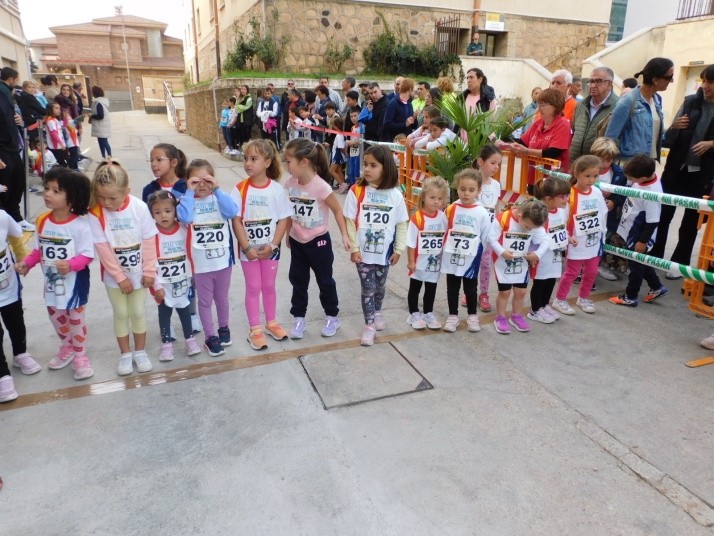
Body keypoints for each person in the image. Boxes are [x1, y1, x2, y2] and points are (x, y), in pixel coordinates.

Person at [15, 167, 93, 380]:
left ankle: (80, 356)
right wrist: (27, 263)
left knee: (76, 320)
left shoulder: (80, 226)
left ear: (72, 198)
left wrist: (71, 264)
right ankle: (66, 347)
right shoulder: (42, 221)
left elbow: (87, 255)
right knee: (57, 318)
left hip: (74, 285)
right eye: (47, 188)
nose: (47, 194)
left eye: (55, 191)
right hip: (51, 285)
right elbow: (39, 251)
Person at [88, 160, 158, 375]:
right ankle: (125, 355)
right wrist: (119, 277)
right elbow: (103, 249)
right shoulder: (95, 213)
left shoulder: (139, 207)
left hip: (139, 274)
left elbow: (149, 240)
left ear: (127, 191)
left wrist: (149, 271)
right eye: (101, 197)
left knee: (137, 312)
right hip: (114, 278)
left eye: (112, 198)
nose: (106, 203)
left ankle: (140, 352)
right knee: (120, 313)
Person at [283, 138, 352, 339]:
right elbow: (289, 211)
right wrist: (288, 233)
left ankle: (332, 315)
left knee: (325, 281)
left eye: (289, 162)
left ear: (304, 162)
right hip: (298, 240)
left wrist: (345, 236)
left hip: (319, 241)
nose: (286, 166)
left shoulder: (321, 187)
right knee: (298, 280)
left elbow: (338, 211)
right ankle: (299, 317)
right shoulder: (289, 183)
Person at [650, 65, 714, 280]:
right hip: (676, 169)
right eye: (704, 81)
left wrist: (712, 143)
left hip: (702, 175)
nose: (705, 86)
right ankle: (656, 255)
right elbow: (668, 138)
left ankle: (679, 264)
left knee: (689, 223)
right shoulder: (690, 101)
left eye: (710, 82)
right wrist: (674, 126)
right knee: (663, 215)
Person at [343, 145, 409, 346]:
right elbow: (349, 222)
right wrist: (354, 248)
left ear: (386, 168)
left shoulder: (395, 194)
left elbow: (401, 224)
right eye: (365, 164)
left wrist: (398, 249)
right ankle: (369, 325)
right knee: (367, 288)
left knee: (380, 286)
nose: (367, 169)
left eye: (373, 165)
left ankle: (378, 309)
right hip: (363, 253)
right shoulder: (356, 191)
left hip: (385, 253)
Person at [231, 140, 291, 351]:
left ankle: (271, 322)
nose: (248, 163)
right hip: (249, 250)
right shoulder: (240, 189)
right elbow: (236, 220)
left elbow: (284, 219)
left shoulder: (276, 190)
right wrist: (247, 247)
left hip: (271, 250)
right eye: (246, 158)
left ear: (267, 162)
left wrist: (273, 245)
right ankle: (254, 328)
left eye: (254, 159)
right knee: (254, 287)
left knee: (269, 286)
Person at [179, 159, 238, 357]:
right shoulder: (186, 201)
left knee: (222, 299)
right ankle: (210, 337)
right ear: (188, 182)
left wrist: (218, 189)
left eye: (206, 180)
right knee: (205, 303)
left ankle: (224, 329)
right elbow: (185, 218)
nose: (201, 185)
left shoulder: (219, 199)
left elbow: (232, 212)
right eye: (196, 181)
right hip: (201, 265)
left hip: (222, 262)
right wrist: (189, 192)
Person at [147, 190, 202, 360]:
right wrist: (155, 286)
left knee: (185, 310)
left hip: (182, 282)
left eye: (168, 211)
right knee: (164, 313)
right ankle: (166, 343)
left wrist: (194, 275)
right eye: (157, 212)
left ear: (175, 211)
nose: (163, 215)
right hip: (163, 284)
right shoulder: (151, 234)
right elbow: (149, 261)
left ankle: (189, 338)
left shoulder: (184, 229)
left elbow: (191, 253)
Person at [609, 154, 668, 307]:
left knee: (636, 265)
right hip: (630, 226)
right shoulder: (643, 179)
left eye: (632, 179)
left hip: (639, 233)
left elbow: (653, 220)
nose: (630, 181)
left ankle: (630, 296)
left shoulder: (652, 193)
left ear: (642, 177)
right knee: (641, 261)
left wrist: (643, 241)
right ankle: (656, 286)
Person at [551, 155, 607, 315]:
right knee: (572, 272)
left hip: (595, 242)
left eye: (595, 176)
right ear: (576, 173)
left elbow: (602, 214)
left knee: (591, 272)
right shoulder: (570, 195)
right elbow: (561, 219)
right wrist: (566, 237)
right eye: (587, 176)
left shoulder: (596, 192)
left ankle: (583, 297)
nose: (591, 180)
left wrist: (603, 233)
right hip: (576, 241)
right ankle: (560, 299)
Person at [441, 169, 492, 333]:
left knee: (470, 288)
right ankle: (453, 316)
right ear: (457, 188)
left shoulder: (481, 212)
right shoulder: (451, 209)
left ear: (479, 190)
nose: (466, 193)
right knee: (452, 287)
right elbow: (444, 230)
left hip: (472, 258)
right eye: (463, 189)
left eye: (471, 190)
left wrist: (478, 252)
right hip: (453, 256)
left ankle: (472, 316)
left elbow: (486, 236)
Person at [489, 199, 549, 334]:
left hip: (522, 263)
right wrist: (502, 252)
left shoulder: (534, 222)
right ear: (520, 216)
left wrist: (537, 254)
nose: (530, 230)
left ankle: (516, 315)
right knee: (505, 292)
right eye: (528, 227)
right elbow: (491, 238)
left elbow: (545, 240)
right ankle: (500, 317)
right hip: (503, 262)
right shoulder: (503, 218)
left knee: (521, 292)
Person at [605, 57, 673, 163]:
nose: (672, 81)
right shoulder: (628, 101)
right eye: (669, 77)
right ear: (655, 79)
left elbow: (655, 136)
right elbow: (609, 138)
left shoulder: (657, 100)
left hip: (648, 165)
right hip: (628, 166)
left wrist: (674, 128)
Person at [461, 145, 503, 313]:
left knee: (486, 264)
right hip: (472, 233)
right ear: (480, 161)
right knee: (471, 263)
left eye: (499, 164)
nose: (496, 167)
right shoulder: (470, 183)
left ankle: (483, 294)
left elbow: (497, 206)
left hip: (489, 234)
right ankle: (468, 292)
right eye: (493, 163)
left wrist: (499, 226)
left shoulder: (496, 184)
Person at [505, 88, 571, 192]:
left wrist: (527, 151)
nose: (539, 108)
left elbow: (553, 152)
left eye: (542, 105)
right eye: (538, 104)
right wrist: (506, 145)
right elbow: (521, 143)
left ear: (555, 106)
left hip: (553, 182)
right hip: (533, 179)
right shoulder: (537, 124)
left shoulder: (563, 125)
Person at [529, 175, 575, 324]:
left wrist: (568, 237)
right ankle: (535, 310)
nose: (566, 199)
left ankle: (544, 305)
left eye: (568, 195)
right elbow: (532, 233)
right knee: (540, 282)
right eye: (563, 196)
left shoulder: (561, 209)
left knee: (550, 280)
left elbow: (561, 227)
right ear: (549, 199)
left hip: (555, 254)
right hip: (542, 255)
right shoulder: (540, 212)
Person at [0, 208, 35, 402]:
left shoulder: (2, 217)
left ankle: (20, 353)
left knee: (15, 322)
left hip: (8, 287)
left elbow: (15, 237)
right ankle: (2, 374)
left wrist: (23, 259)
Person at [405, 176, 449, 330]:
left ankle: (428, 312)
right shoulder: (417, 218)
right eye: (432, 197)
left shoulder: (443, 217)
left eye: (439, 198)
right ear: (423, 197)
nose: (436, 201)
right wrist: (411, 261)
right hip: (419, 262)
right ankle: (413, 313)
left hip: (434, 262)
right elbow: (410, 242)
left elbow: (445, 238)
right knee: (415, 288)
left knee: (431, 288)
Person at [0, 67, 34, 238]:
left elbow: (11, 116)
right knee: (4, 187)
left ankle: (16, 217)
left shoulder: (7, 93)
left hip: (13, 146)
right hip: (2, 149)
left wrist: (19, 120)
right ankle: (5, 223)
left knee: (17, 182)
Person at [590, 137, 627, 281]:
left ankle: (601, 265)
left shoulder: (618, 174)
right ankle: (584, 266)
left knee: (605, 240)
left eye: (609, 160)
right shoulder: (585, 169)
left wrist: (613, 200)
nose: (605, 164)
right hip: (588, 214)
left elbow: (623, 194)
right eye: (602, 160)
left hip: (607, 216)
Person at [570, 67, 619, 161]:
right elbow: (573, 131)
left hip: (599, 167)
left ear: (609, 84)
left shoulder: (618, 107)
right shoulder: (580, 105)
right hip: (575, 164)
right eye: (591, 81)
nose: (592, 85)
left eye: (598, 81)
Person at [89, 86, 111, 158]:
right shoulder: (100, 102)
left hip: (101, 126)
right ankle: (104, 157)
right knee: (101, 142)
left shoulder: (98, 103)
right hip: (101, 126)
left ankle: (109, 157)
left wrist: (92, 116)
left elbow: (101, 116)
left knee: (104, 142)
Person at [45, 103, 68, 168]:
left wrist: (65, 118)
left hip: (59, 146)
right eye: (56, 108)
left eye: (59, 108)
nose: (59, 110)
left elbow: (64, 125)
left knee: (62, 163)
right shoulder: (51, 121)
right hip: (55, 147)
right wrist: (61, 143)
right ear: (50, 109)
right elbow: (53, 133)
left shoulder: (55, 120)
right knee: (58, 164)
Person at [330, 115, 348, 192]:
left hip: (338, 154)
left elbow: (341, 147)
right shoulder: (344, 134)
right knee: (339, 170)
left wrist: (345, 153)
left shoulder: (339, 135)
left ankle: (341, 184)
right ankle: (343, 183)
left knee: (332, 171)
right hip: (340, 154)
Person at [234, 85, 254, 152]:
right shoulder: (240, 98)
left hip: (247, 120)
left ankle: (249, 150)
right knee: (243, 136)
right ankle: (244, 149)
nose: (242, 90)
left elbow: (246, 107)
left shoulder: (249, 98)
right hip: (241, 120)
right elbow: (236, 107)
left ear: (247, 90)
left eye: (244, 89)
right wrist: (239, 107)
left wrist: (239, 107)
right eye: (241, 89)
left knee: (248, 136)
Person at [346, 107, 363, 185]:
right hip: (353, 152)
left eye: (355, 116)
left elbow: (361, 141)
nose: (353, 118)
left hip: (359, 152)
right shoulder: (352, 127)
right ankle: (353, 185)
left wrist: (352, 142)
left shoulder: (362, 127)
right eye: (351, 116)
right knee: (351, 171)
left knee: (357, 171)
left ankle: (357, 186)